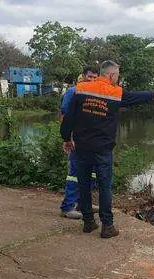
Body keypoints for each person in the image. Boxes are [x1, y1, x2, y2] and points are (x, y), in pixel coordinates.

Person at [60, 60, 154, 238]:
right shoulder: (115, 92)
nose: (117, 79)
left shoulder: (81, 89)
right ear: (112, 75)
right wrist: (153, 94)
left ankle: (89, 222)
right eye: (117, 76)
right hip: (103, 150)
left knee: (83, 185)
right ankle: (107, 226)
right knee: (105, 187)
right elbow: (134, 97)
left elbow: (69, 118)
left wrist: (67, 138)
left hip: (82, 147)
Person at [59, 65, 99, 219]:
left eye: (96, 77)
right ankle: (67, 207)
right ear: (83, 76)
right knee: (74, 174)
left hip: (93, 141)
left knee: (92, 174)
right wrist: (68, 138)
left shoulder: (96, 93)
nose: (93, 80)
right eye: (90, 77)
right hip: (77, 140)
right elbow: (65, 117)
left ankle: (83, 204)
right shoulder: (72, 92)